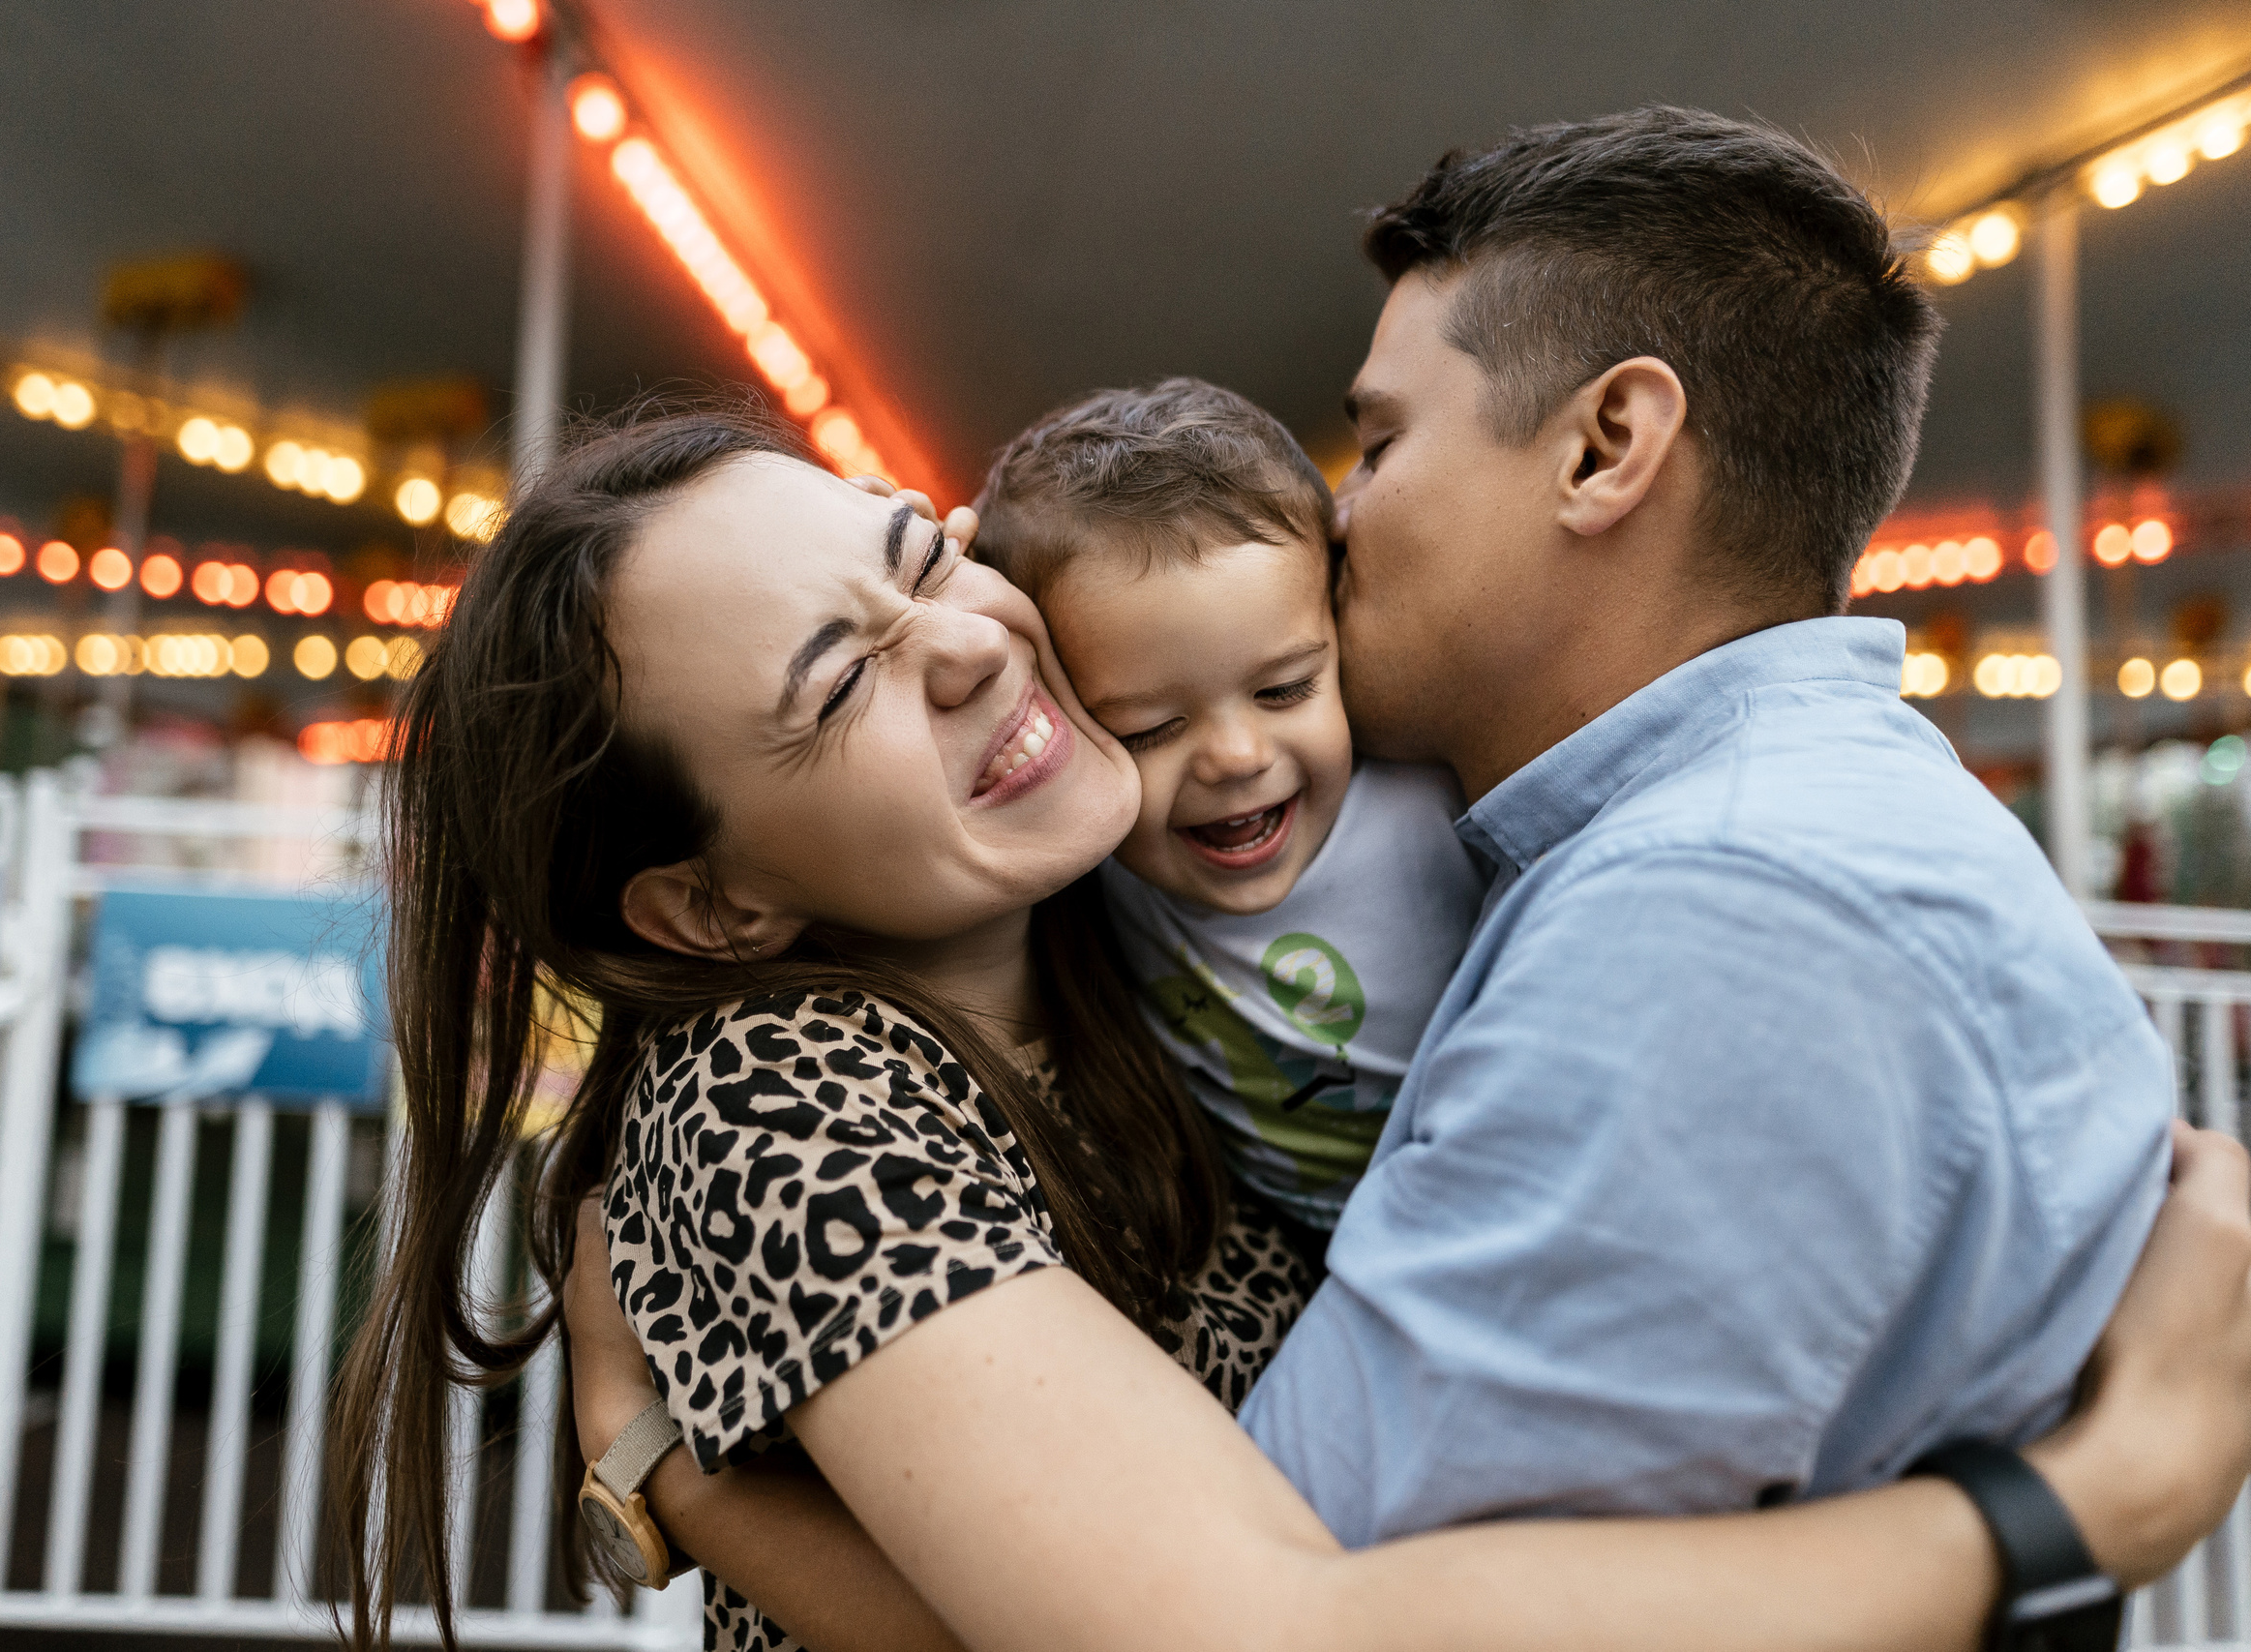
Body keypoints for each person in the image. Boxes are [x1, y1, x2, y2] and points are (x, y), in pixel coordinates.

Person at [330, 400, 2251, 1652]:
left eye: (920, 553)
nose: (970, 642)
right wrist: (2079, 1500)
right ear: (716, 903)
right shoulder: (780, 1097)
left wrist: (666, 1472)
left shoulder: (1128, 924)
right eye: (841, 678)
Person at [1233, 105, 2176, 1547]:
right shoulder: (1770, 830)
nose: (1335, 517)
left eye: (1380, 441)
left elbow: (1291, 1579)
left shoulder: (1719, 904)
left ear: (1609, 446)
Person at [971, 377, 1483, 1247]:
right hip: (1315, 1264)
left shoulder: (1435, 805)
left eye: (1285, 689)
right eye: (1149, 729)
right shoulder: (1091, 860)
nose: (1237, 756)